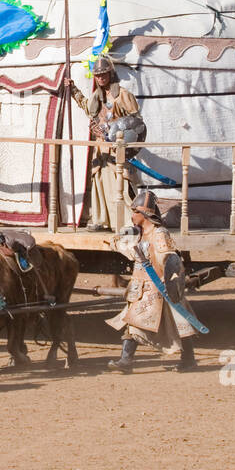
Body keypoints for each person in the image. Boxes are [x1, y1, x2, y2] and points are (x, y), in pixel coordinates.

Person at [105, 191, 198, 373]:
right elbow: (132, 251)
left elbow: (170, 259)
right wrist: (117, 242)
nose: (131, 216)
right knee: (134, 322)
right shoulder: (140, 234)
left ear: (144, 214)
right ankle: (126, 361)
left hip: (159, 288)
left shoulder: (159, 234)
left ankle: (188, 360)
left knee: (180, 323)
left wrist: (171, 285)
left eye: (134, 212)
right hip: (142, 288)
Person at [70, 55, 144, 231]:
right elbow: (88, 108)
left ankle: (129, 222)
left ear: (111, 73)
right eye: (97, 75)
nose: (101, 78)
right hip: (101, 149)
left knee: (122, 183)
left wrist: (112, 131)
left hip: (116, 149)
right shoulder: (97, 96)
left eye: (104, 74)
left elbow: (136, 123)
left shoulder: (123, 95)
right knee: (100, 182)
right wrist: (73, 89)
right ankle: (102, 219)